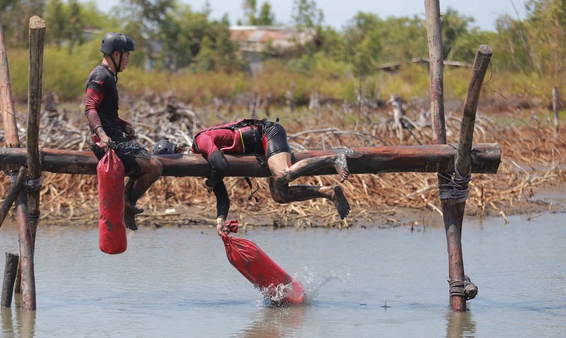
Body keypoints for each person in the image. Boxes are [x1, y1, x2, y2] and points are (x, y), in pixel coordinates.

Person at [190, 118, 360, 235]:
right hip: (260, 149)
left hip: (268, 133)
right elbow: (222, 197)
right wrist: (220, 222)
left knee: (282, 175)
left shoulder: (201, 141)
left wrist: (211, 182)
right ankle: (329, 193)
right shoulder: (207, 163)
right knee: (280, 196)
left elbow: (221, 166)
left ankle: (333, 158)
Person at [85, 32, 162, 231]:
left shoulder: (109, 76)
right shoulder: (101, 76)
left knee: (148, 164)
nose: (128, 59)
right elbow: (90, 108)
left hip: (115, 137)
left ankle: (126, 200)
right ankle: (126, 201)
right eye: (127, 55)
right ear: (116, 54)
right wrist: (102, 136)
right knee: (154, 166)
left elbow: (106, 113)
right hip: (107, 142)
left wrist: (123, 124)